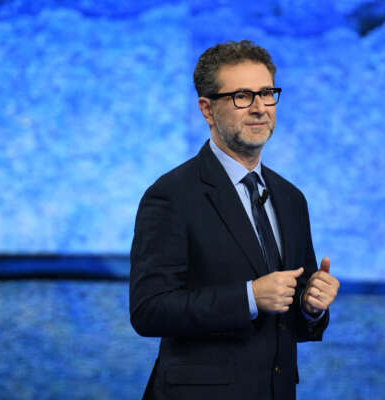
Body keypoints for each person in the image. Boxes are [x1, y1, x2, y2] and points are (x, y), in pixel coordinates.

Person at [129, 40, 340, 400]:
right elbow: (148, 310)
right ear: (207, 109)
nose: (259, 108)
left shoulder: (291, 198)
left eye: (267, 93)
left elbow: (289, 320)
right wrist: (249, 297)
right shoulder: (171, 195)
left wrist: (310, 309)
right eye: (242, 96)